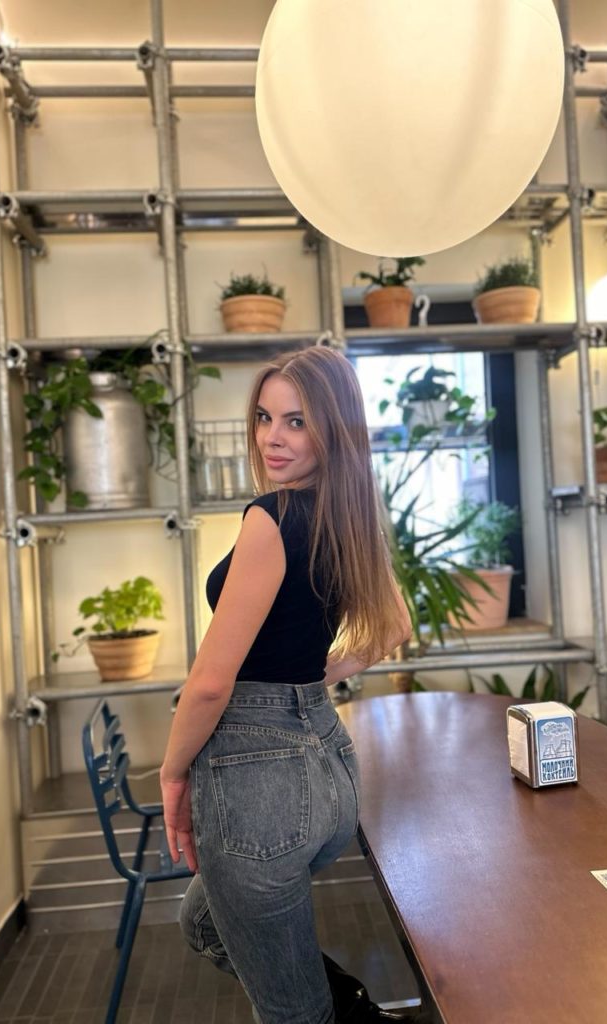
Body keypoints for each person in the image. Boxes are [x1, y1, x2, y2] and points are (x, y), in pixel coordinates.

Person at [160, 344, 417, 1024]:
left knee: (292, 1014)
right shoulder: (345, 511)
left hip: (261, 780)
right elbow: (395, 625)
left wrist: (172, 773)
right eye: (265, 417)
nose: (273, 437)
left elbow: (210, 685)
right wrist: (315, 676)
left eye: (297, 421)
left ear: (333, 428)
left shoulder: (269, 519)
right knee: (204, 923)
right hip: (327, 770)